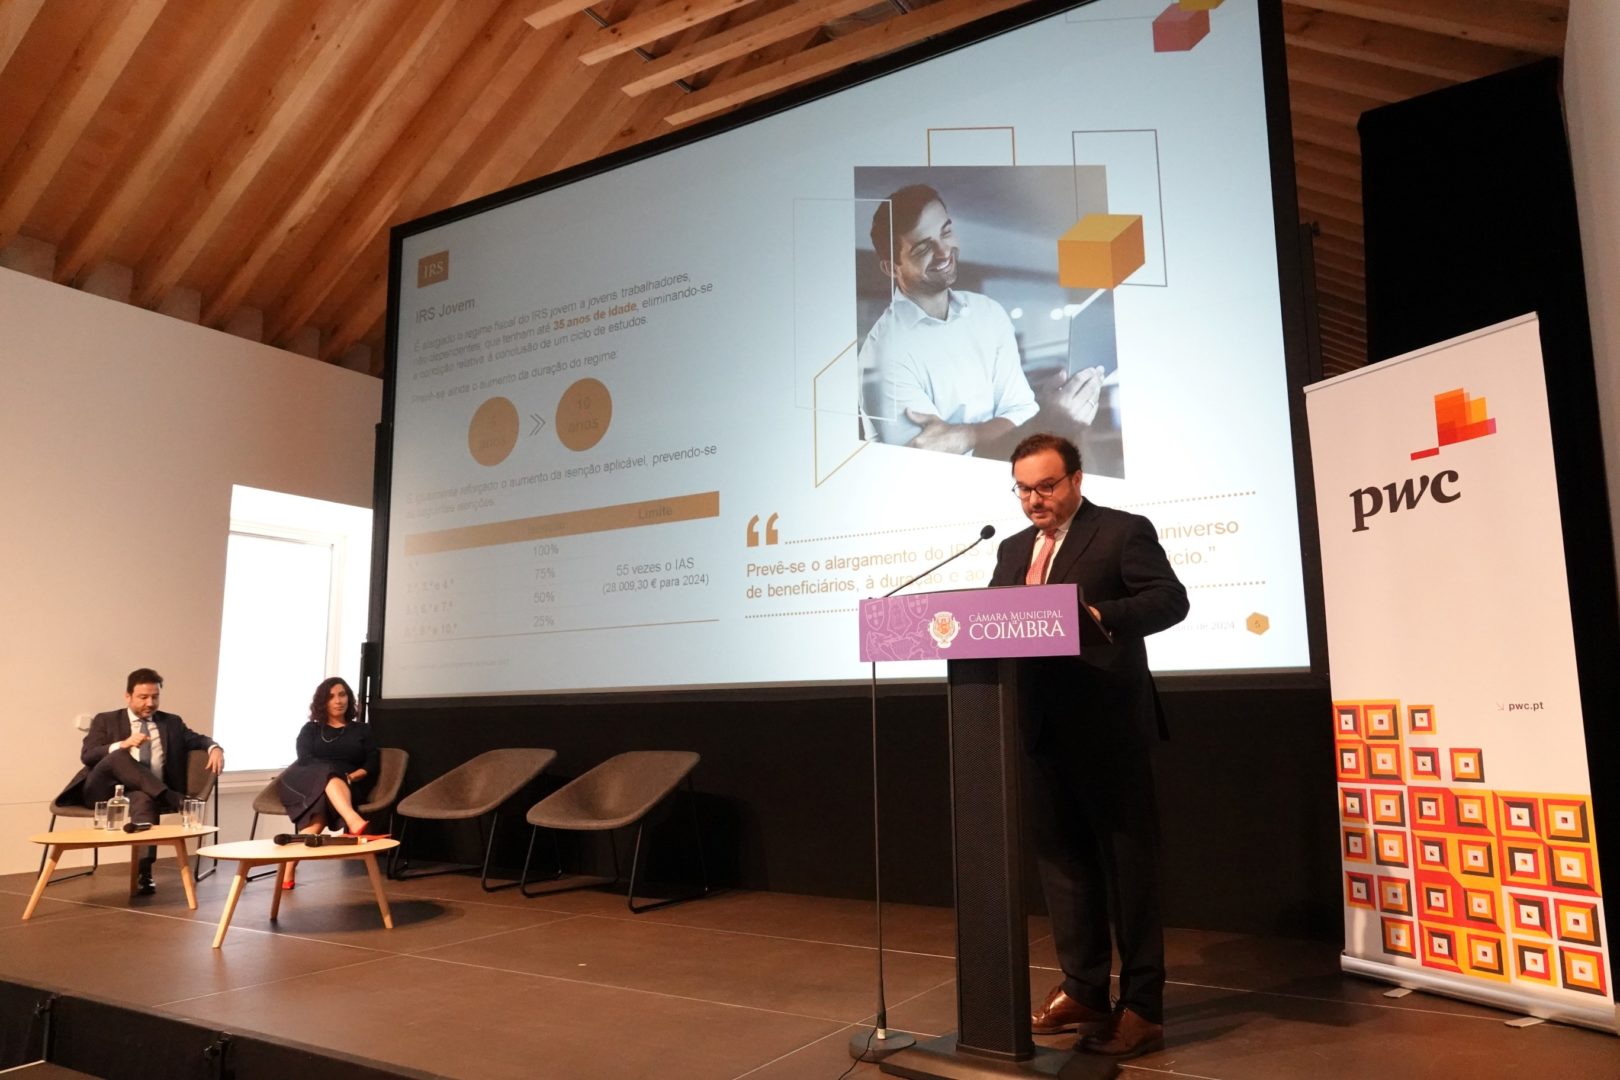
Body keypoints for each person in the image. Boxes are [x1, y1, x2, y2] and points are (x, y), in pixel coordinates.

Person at [987, 433, 1187, 1058]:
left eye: (1046, 486)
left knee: (1129, 870)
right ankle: (1084, 990)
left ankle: (1143, 1007)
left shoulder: (1122, 531)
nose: (1034, 500)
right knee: (1063, 865)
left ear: (1076, 479)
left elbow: (1170, 599)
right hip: (1040, 726)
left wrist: (1100, 616)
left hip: (1109, 727)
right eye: (1023, 489)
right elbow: (993, 621)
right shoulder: (1013, 548)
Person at [859, 184, 1105, 456]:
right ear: (891, 267)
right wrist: (1045, 422)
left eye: (946, 232)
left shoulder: (987, 312)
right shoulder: (883, 354)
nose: (944, 252)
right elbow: (931, 462)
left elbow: (1022, 414)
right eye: (922, 248)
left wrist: (966, 435)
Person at [56, 668, 224, 895]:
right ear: (128, 696)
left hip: (145, 792)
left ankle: (143, 872)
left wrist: (214, 748)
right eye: (143, 697)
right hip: (102, 792)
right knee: (118, 756)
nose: (150, 703)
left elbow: (198, 739)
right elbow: (88, 755)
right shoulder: (106, 720)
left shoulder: (171, 722)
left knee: (145, 799)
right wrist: (122, 744)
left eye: (155, 697)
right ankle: (175, 800)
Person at [276, 676, 378, 889]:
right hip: (306, 782)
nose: (338, 701)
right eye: (331, 697)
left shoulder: (362, 730)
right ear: (323, 702)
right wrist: (331, 773)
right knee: (328, 771)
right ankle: (353, 820)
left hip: (347, 784)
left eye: (342, 695)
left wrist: (351, 777)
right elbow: (305, 759)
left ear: (349, 698)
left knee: (318, 819)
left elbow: (371, 762)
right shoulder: (310, 729)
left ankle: (288, 869)